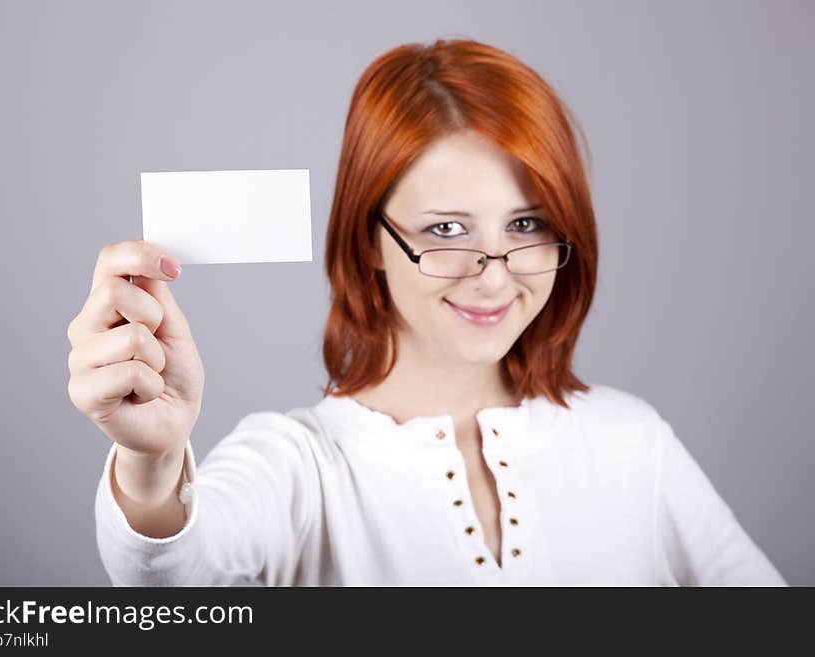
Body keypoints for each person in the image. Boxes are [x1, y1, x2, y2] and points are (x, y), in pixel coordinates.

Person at [67, 38, 787, 586]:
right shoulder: (302, 466)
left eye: (529, 225)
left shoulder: (634, 442)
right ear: (370, 240)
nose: (493, 275)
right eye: (446, 230)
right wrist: (153, 458)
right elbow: (167, 570)